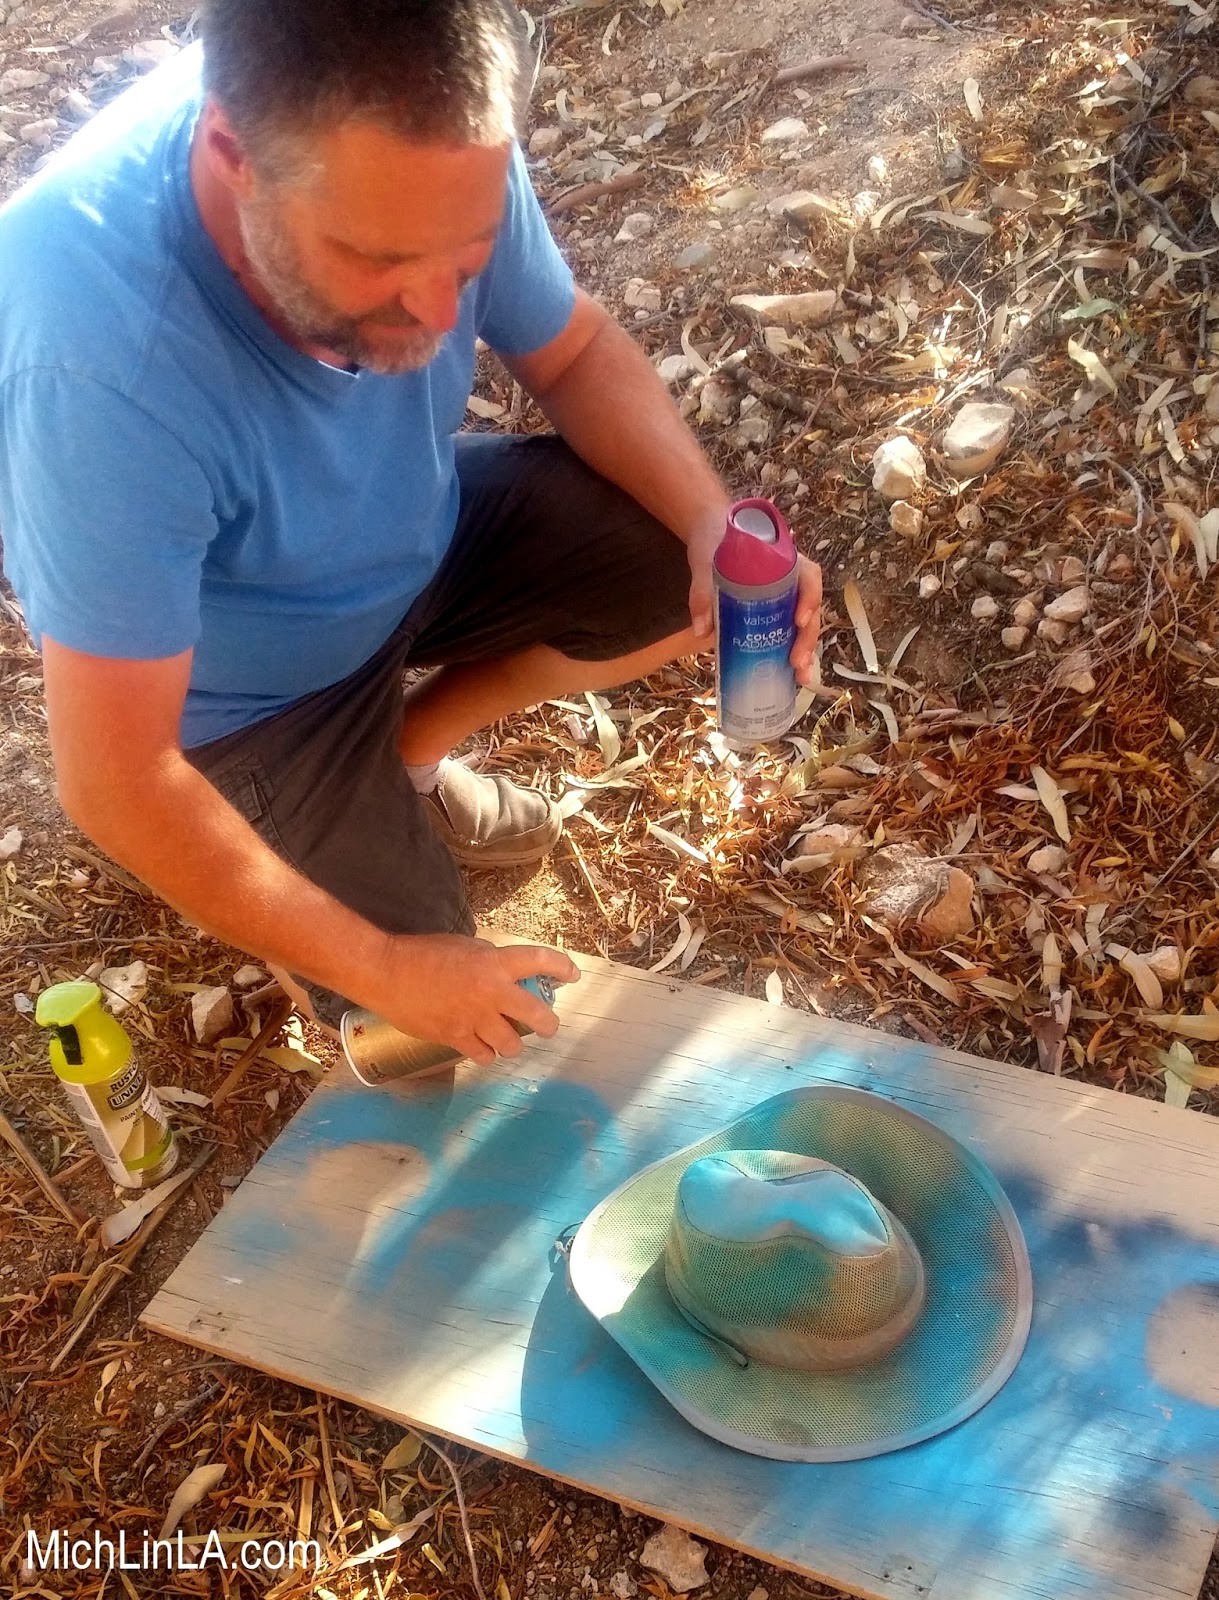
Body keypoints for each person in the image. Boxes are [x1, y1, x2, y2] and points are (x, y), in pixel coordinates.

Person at [0, 0, 822, 1065]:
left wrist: (711, 525)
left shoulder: (432, 150)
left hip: (410, 535)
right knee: (426, 1034)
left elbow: (574, 353)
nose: (438, 314)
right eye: (377, 259)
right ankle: (314, 837)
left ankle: (404, 753)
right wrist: (385, 968)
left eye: (466, 258)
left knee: (674, 559)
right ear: (233, 158)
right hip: (247, 707)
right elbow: (117, 779)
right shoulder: (98, 365)